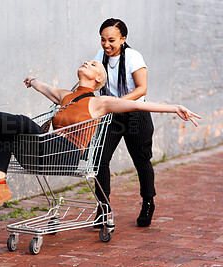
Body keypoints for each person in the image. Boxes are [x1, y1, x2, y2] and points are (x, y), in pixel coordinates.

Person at [0, 60, 200, 210]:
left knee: (20, 122)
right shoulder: (65, 96)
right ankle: (1, 186)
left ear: (99, 78)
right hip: (43, 151)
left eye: (92, 65)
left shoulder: (101, 102)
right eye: (86, 62)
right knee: (5, 127)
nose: (86, 63)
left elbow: (139, 105)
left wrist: (175, 107)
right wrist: (32, 79)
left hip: (65, 155)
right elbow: (43, 87)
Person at [93, 18, 157, 227]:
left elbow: (142, 88)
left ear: (123, 39)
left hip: (135, 114)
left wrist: (116, 102)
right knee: (99, 160)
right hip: (112, 116)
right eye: (103, 40)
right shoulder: (99, 57)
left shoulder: (132, 56)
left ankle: (148, 202)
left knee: (141, 160)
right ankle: (103, 208)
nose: (106, 45)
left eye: (111, 40)